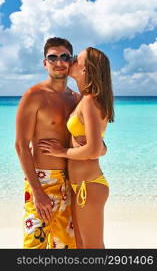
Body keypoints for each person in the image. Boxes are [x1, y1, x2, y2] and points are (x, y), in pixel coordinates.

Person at [38, 47, 114, 249]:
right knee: (82, 246)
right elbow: (98, 146)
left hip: (87, 186)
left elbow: (92, 149)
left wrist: (61, 152)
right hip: (81, 186)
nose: (69, 61)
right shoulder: (86, 100)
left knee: (92, 249)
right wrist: (99, 148)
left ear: (85, 70)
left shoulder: (89, 101)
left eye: (75, 59)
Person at [15, 37, 80, 249]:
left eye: (64, 57)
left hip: (71, 182)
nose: (59, 62)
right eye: (53, 57)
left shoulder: (77, 99)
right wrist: (37, 191)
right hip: (42, 180)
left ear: (71, 62)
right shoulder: (34, 95)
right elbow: (21, 145)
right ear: (45, 63)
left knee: (66, 247)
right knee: (35, 245)